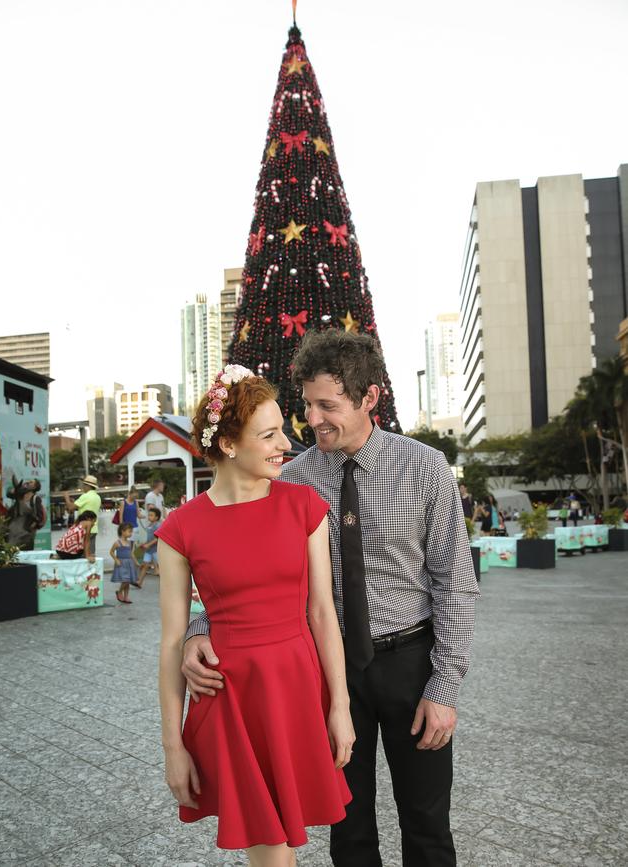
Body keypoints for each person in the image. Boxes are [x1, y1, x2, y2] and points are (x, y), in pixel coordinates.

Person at [183, 332, 480, 867]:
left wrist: (444, 687)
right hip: (323, 673)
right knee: (349, 828)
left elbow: (454, 581)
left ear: (369, 399)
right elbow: (248, 579)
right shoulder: (288, 480)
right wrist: (198, 631)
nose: (312, 419)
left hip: (411, 664)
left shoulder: (424, 467)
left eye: (328, 405)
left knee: (428, 824)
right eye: (307, 404)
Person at [157, 365, 353, 865]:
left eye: (282, 431)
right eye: (268, 435)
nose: (285, 444)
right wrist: (173, 747)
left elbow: (322, 612)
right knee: (270, 849)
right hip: (230, 700)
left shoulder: (304, 506)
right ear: (227, 444)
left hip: (296, 689)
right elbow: (172, 640)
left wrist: (340, 705)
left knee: (280, 847)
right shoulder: (181, 529)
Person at [5, 476, 46, 550]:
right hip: (15, 526)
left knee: (26, 548)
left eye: (31, 482)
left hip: (27, 529)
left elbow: (39, 516)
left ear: (35, 487)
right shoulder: (22, 494)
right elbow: (8, 495)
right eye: (29, 481)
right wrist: (15, 490)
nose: (28, 483)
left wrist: (30, 528)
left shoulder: (35, 498)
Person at [64, 475, 102, 555]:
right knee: (90, 553)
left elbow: (71, 508)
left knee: (82, 555)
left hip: (84, 530)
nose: (83, 487)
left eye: (84, 485)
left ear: (88, 486)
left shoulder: (85, 496)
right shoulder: (98, 497)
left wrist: (66, 497)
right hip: (93, 528)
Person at [110, 521, 139, 604]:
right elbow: (111, 552)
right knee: (125, 580)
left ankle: (126, 597)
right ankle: (119, 592)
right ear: (123, 531)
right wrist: (116, 559)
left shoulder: (130, 543)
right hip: (121, 563)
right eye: (129, 531)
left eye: (131, 532)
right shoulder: (117, 543)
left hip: (129, 563)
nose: (131, 534)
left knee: (128, 581)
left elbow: (131, 554)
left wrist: (136, 562)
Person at [136, 506, 162, 588]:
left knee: (161, 568)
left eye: (151, 515)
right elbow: (148, 538)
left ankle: (167, 585)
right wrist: (143, 544)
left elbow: (157, 538)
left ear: (156, 517)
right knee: (145, 565)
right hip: (148, 551)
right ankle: (139, 582)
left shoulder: (158, 526)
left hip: (155, 550)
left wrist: (148, 545)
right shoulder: (149, 525)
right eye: (149, 515)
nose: (149, 517)